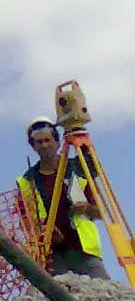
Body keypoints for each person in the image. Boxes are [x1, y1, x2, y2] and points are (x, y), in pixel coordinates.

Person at [17, 117, 109, 279]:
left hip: (84, 250)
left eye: (47, 140)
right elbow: (26, 220)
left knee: (104, 293)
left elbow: (103, 212)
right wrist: (44, 232)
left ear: (57, 142)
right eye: (39, 142)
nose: (44, 145)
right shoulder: (27, 182)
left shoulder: (78, 170)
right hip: (53, 255)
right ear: (33, 146)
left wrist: (87, 209)